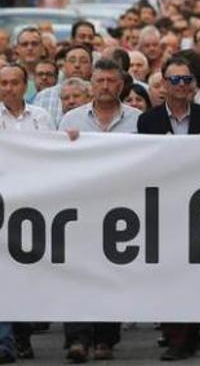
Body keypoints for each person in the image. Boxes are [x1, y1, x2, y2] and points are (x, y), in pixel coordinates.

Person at [137, 55, 200, 360]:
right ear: (163, 84)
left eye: (187, 80)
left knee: (196, 272)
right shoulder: (147, 121)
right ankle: (177, 337)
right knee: (171, 272)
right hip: (164, 206)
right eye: (175, 80)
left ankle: (193, 329)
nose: (182, 85)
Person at [0, 62, 53, 364]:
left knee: (27, 275)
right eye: (3, 83)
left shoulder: (42, 118)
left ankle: (22, 336)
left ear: (25, 84)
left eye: (14, 83)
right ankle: (2, 342)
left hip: (33, 207)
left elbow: (52, 158)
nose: (8, 88)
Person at [58, 59, 139, 362]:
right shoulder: (71, 120)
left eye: (111, 81)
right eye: (100, 80)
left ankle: (106, 338)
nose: (105, 86)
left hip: (122, 209)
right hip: (79, 209)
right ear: (91, 84)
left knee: (111, 272)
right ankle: (77, 338)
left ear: (121, 85)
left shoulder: (138, 120)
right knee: (76, 272)